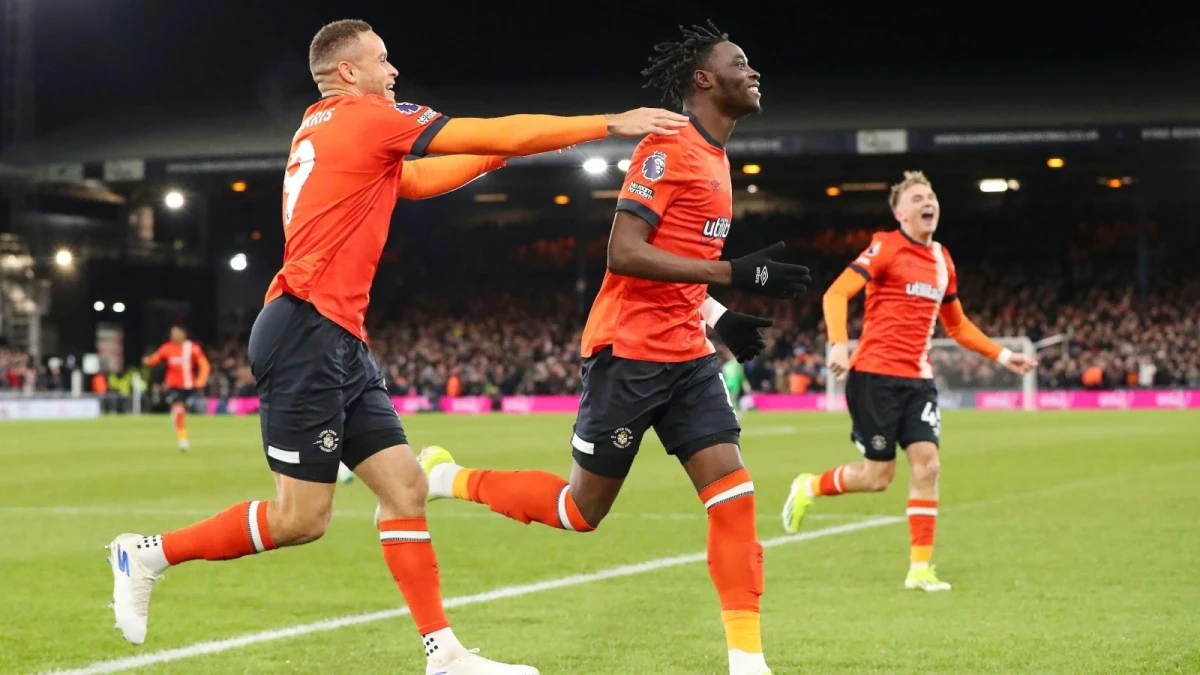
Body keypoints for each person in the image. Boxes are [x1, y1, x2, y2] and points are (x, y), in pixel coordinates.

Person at [107, 18, 688, 675]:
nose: (394, 71)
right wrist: (609, 122)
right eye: (382, 61)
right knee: (302, 518)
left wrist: (502, 155)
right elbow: (482, 130)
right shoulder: (367, 116)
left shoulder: (320, 127)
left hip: (334, 335)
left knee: (406, 485)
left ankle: (445, 654)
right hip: (305, 329)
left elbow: (411, 183)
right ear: (348, 72)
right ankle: (147, 552)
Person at [407, 22, 808, 675]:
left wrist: (719, 319)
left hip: (686, 358)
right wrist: (733, 275)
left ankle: (747, 661)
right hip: (627, 353)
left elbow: (681, 260)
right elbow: (624, 252)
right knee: (579, 509)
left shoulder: (717, 154)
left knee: (733, 496)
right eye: (741, 62)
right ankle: (448, 477)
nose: (754, 72)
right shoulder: (668, 149)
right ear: (704, 79)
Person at [781, 171, 1037, 592]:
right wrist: (839, 344)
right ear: (900, 213)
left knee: (928, 465)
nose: (927, 201)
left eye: (931, 195)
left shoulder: (943, 261)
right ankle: (810, 485)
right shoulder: (885, 246)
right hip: (873, 377)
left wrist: (1004, 355)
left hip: (918, 380)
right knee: (878, 477)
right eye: (917, 197)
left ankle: (920, 569)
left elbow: (956, 327)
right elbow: (835, 294)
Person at [142, 326, 210, 451]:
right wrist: (148, 361)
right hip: (173, 386)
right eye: (172, 333)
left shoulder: (192, 348)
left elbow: (204, 365)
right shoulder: (167, 348)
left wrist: (201, 380)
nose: (174, 336)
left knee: (181, 411)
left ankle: (177, 420)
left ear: (184, 335)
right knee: (179, 409)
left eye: (177, 333)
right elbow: (155, 359)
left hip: (189, 386)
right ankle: (183, 440)